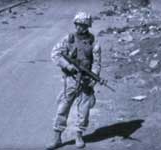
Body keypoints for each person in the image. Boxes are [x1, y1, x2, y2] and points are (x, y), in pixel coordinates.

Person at [47, 11, 101, 149]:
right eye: (77, 24)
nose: (79, 27)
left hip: (85, 80)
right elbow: (55, 54)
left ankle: (79, 135)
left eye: (82, 25)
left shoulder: (93, 42)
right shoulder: (68, 39)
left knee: (84, 111)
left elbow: (96, 63)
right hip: (70, 80)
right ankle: (57, 137)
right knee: (62, 108)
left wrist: (94, 77)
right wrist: (67, 65)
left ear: (87, 25)